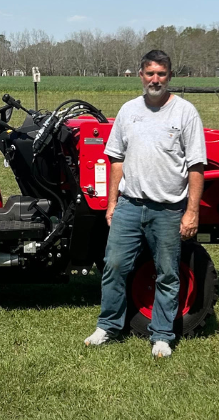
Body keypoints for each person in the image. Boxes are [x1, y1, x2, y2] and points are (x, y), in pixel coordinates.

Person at [84, 50, 207, 358]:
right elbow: (116, 161)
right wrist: (112, 203)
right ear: (140, 75)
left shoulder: (185, 112)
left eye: (161, 74)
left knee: (167, 272)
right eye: (150, 73)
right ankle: (108, 326)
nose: (155, 79)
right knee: (113, 266)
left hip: (167, 209)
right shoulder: (129, 111)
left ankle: (162, 335)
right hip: (129, 204)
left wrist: (192, 211)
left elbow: (196, 167)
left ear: (169, 76)